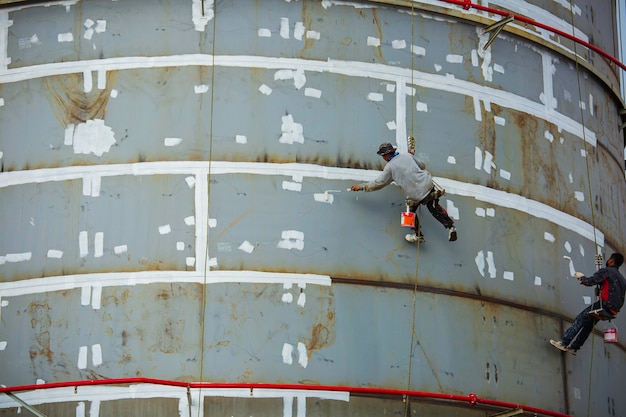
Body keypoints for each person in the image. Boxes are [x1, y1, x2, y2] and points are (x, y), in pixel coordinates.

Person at [350, 142, 457, 243]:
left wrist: (361, 187)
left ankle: (418, 235)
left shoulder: (389, 168)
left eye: (383, 156)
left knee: (410, 212)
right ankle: (451, 227)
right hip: (427, 185)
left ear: (387, 155)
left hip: (414, 195)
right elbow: (423, 165)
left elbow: (379, 183)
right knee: (434, 208)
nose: (383, 158)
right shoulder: (407, 156)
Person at [550, 252, 626, 355]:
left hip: (604, 305)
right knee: (588, 325)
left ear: (612, 260)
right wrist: (601, 291)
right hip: (612, 310)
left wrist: (581, 277)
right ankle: (574, 347)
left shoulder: (607, 271)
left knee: (581, 319)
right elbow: (616, 293)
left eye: (609, 259)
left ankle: (564, 342)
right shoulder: (622, 280)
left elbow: (591, 281)